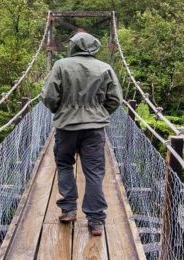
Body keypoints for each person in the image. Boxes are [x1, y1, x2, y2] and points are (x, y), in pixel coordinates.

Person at [41, 31, 123, 237]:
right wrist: (98, 112)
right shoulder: (105, 68)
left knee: (64, 164)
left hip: (66, 127)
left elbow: (49, 96)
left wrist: (60, 111)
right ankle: (95, 221)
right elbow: (115, 99)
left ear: (73, 46)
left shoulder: (61, 65)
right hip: (94, 130)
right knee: (94, 172)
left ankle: (68, 209)